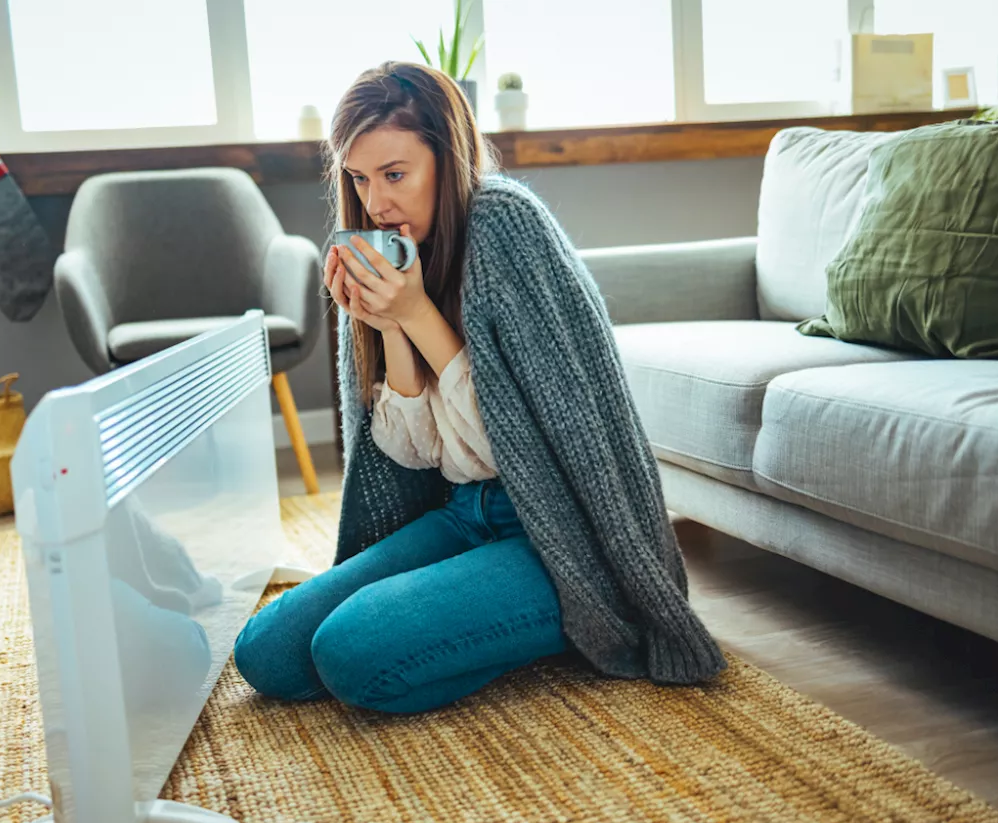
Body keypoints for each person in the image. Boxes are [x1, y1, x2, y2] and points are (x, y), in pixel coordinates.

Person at [234, 61, 725, 714]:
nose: (376, 201)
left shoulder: (505, 225)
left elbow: (527, 446)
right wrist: (389, 327)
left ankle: (570, 624)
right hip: (464, 513)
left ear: (446, 156)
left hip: (557, 532)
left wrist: (416, 316)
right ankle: (472, 613)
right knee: (266, 649)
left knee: (352, 652)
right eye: (358, 177)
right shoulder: (392, 250)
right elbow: (415, 456)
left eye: (395, 174)